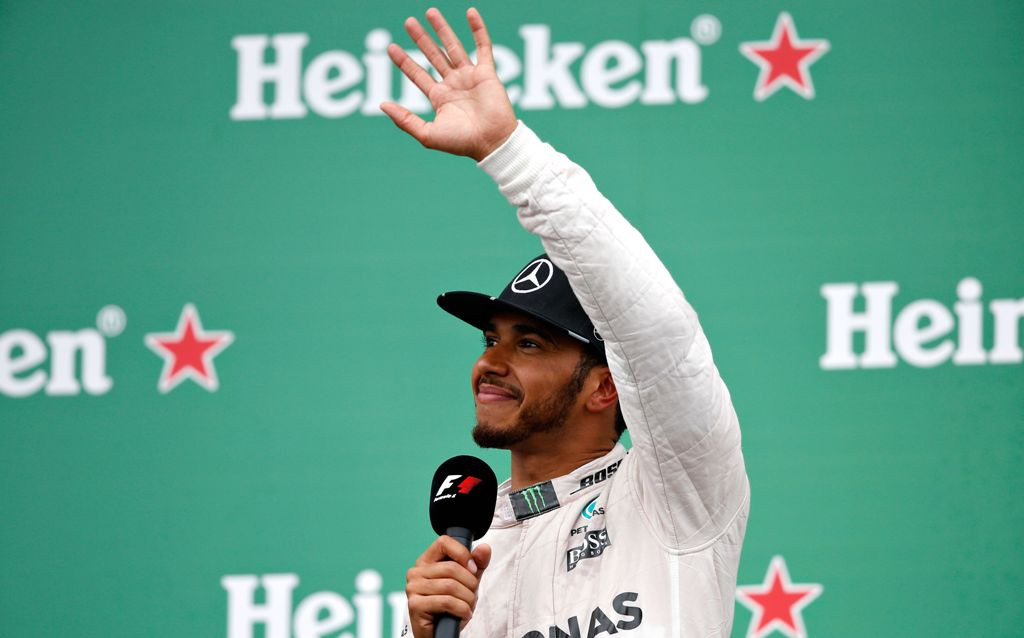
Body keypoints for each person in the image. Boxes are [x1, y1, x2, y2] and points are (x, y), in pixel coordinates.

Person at [382, 8, 749, 638]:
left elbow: (657, 333)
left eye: (529, 343)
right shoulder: (464, 569)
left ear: (607, 385)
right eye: (490, 339)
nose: (489, 363)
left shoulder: (676, 492)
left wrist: (509, 154)